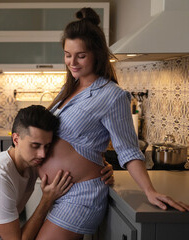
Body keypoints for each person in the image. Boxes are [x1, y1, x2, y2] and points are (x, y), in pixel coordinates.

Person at [35, 7, 189, 240]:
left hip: (79, 196)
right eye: (67, 54)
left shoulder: (112, 95)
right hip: (54, 192)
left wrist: (149, 191)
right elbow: (79, 140)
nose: (72, 62)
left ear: (97, 54)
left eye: (81, 55)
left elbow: (127, 149)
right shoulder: (69, 89)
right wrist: (100, 159)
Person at [0, 105, 114, 240]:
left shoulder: (31, 163)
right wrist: (46, 200)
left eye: (47, 146)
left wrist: (101, 167)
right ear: (16, 139)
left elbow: (72, 164)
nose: (42, 154)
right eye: (35, 145)